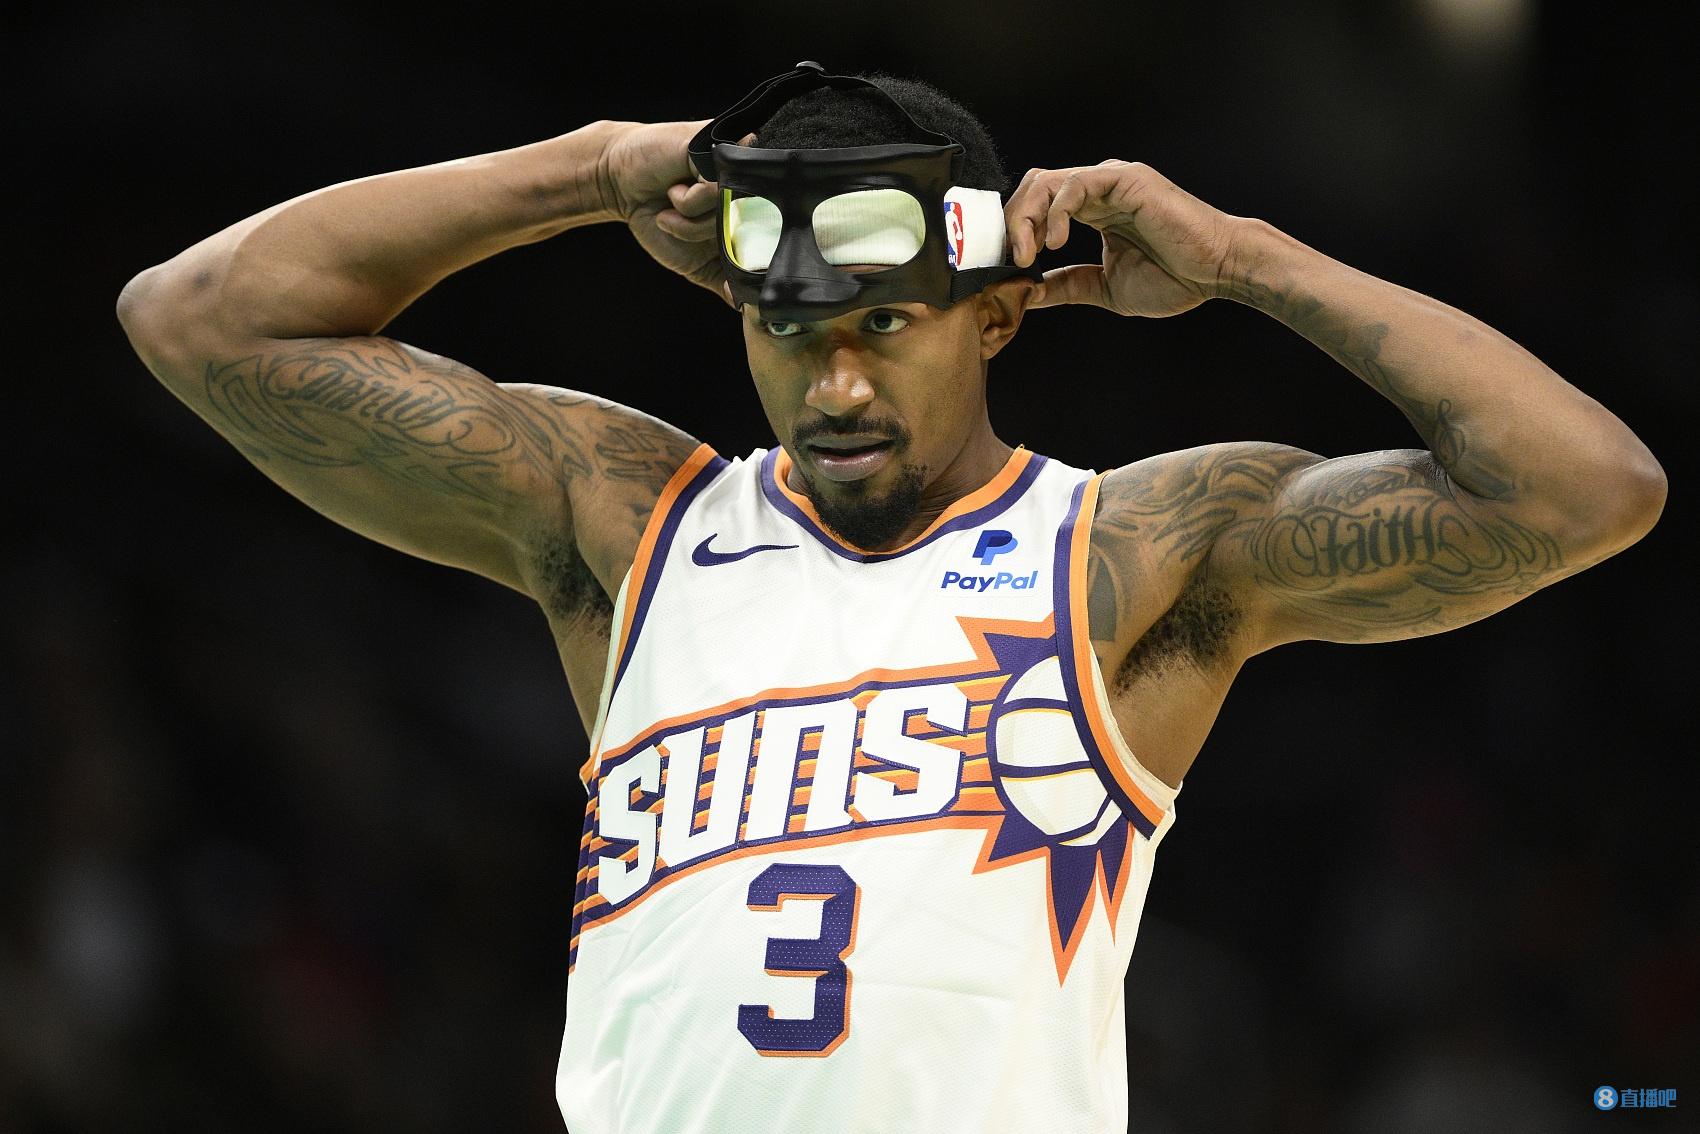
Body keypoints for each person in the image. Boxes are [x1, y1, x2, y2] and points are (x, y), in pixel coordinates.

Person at [116, 62, 1665, 1134]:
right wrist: (588, 168)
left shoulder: (1128, 550)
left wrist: (1247, 258)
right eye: (792, 332)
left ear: (996, 313)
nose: (836, 383)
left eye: (884, 326)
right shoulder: (633, 525)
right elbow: (197, 321)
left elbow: (1585, 487)